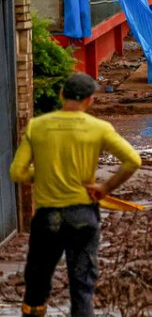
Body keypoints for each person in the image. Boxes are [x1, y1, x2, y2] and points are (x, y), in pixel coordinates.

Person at [9, 73, 142, 317]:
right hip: (83, 215)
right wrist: (105, 188)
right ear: (90, 100)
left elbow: (17, 172)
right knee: (82, 286)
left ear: (62, 95)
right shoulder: (99, 128)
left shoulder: (37, 126)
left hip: (47, 217)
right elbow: (133, 160)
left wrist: (43, 173)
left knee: (37, 282)